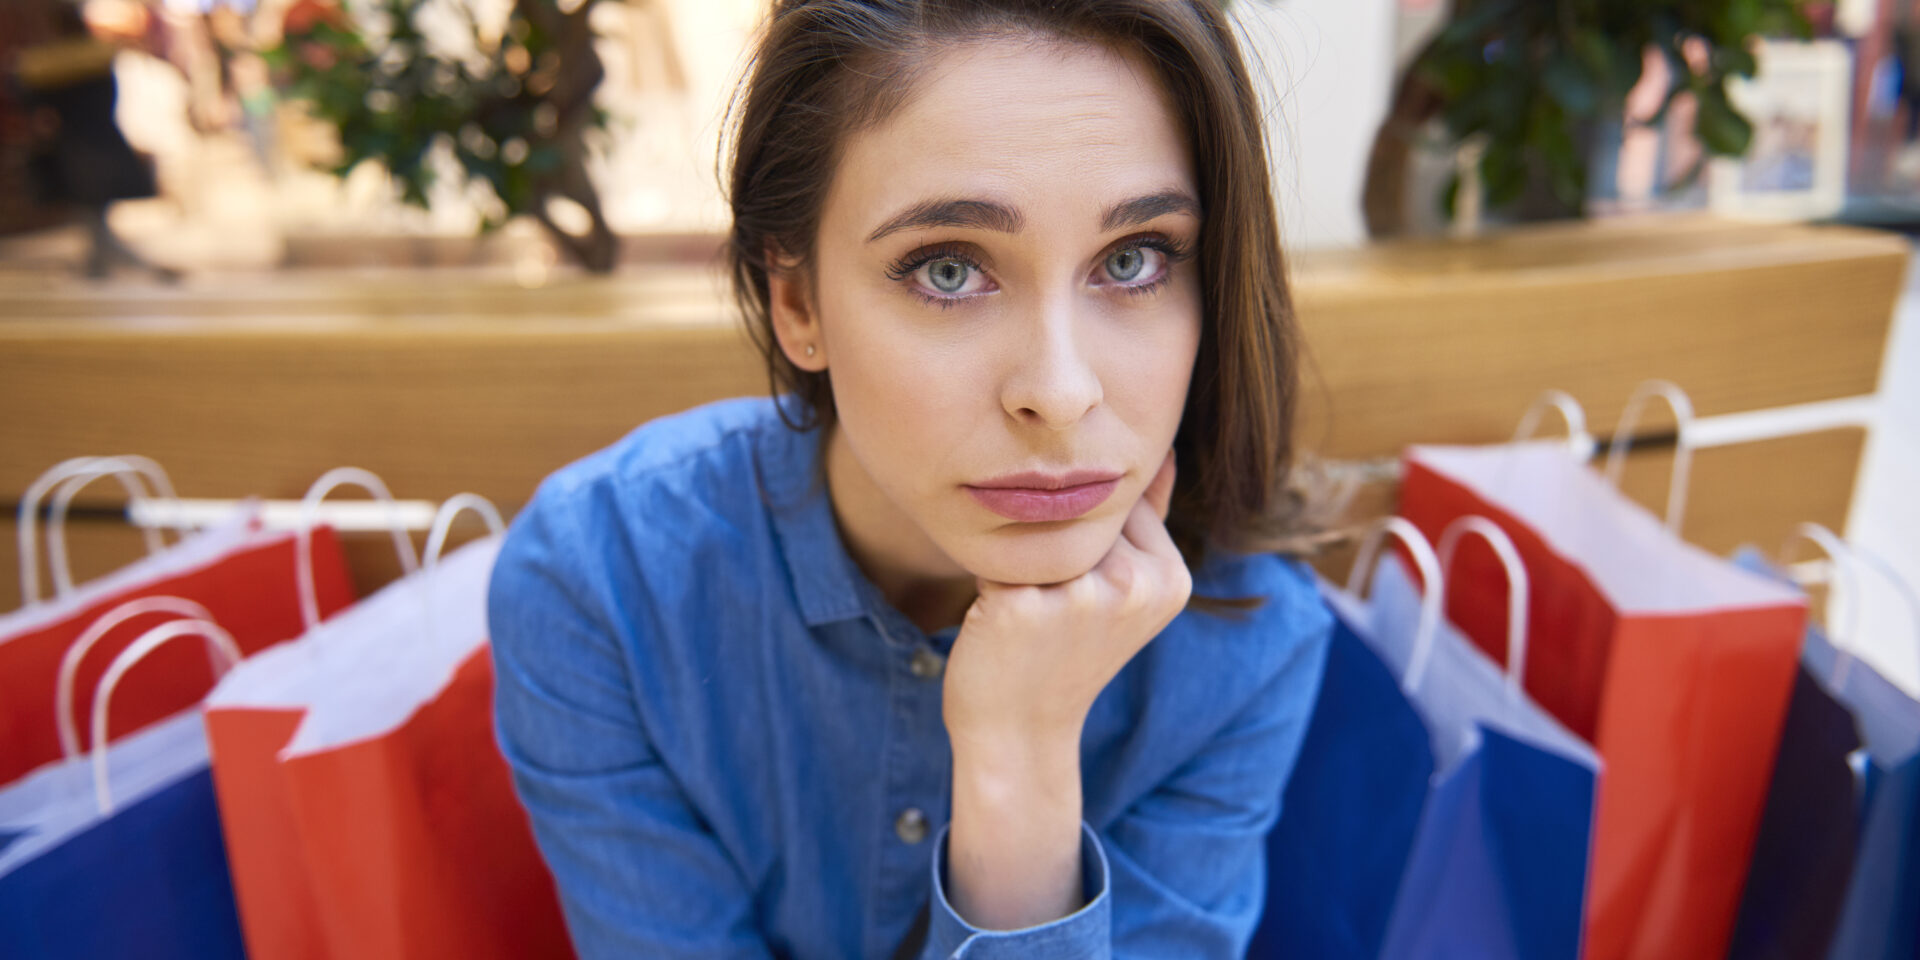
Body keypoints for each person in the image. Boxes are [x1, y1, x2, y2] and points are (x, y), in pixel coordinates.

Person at [486, 1, 1333, 956]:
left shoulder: (1251, 637)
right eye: (946, 271)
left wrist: (1021, 761)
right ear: (797, 300)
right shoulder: (603, 583)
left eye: (1132, 261)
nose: (1059, 392)